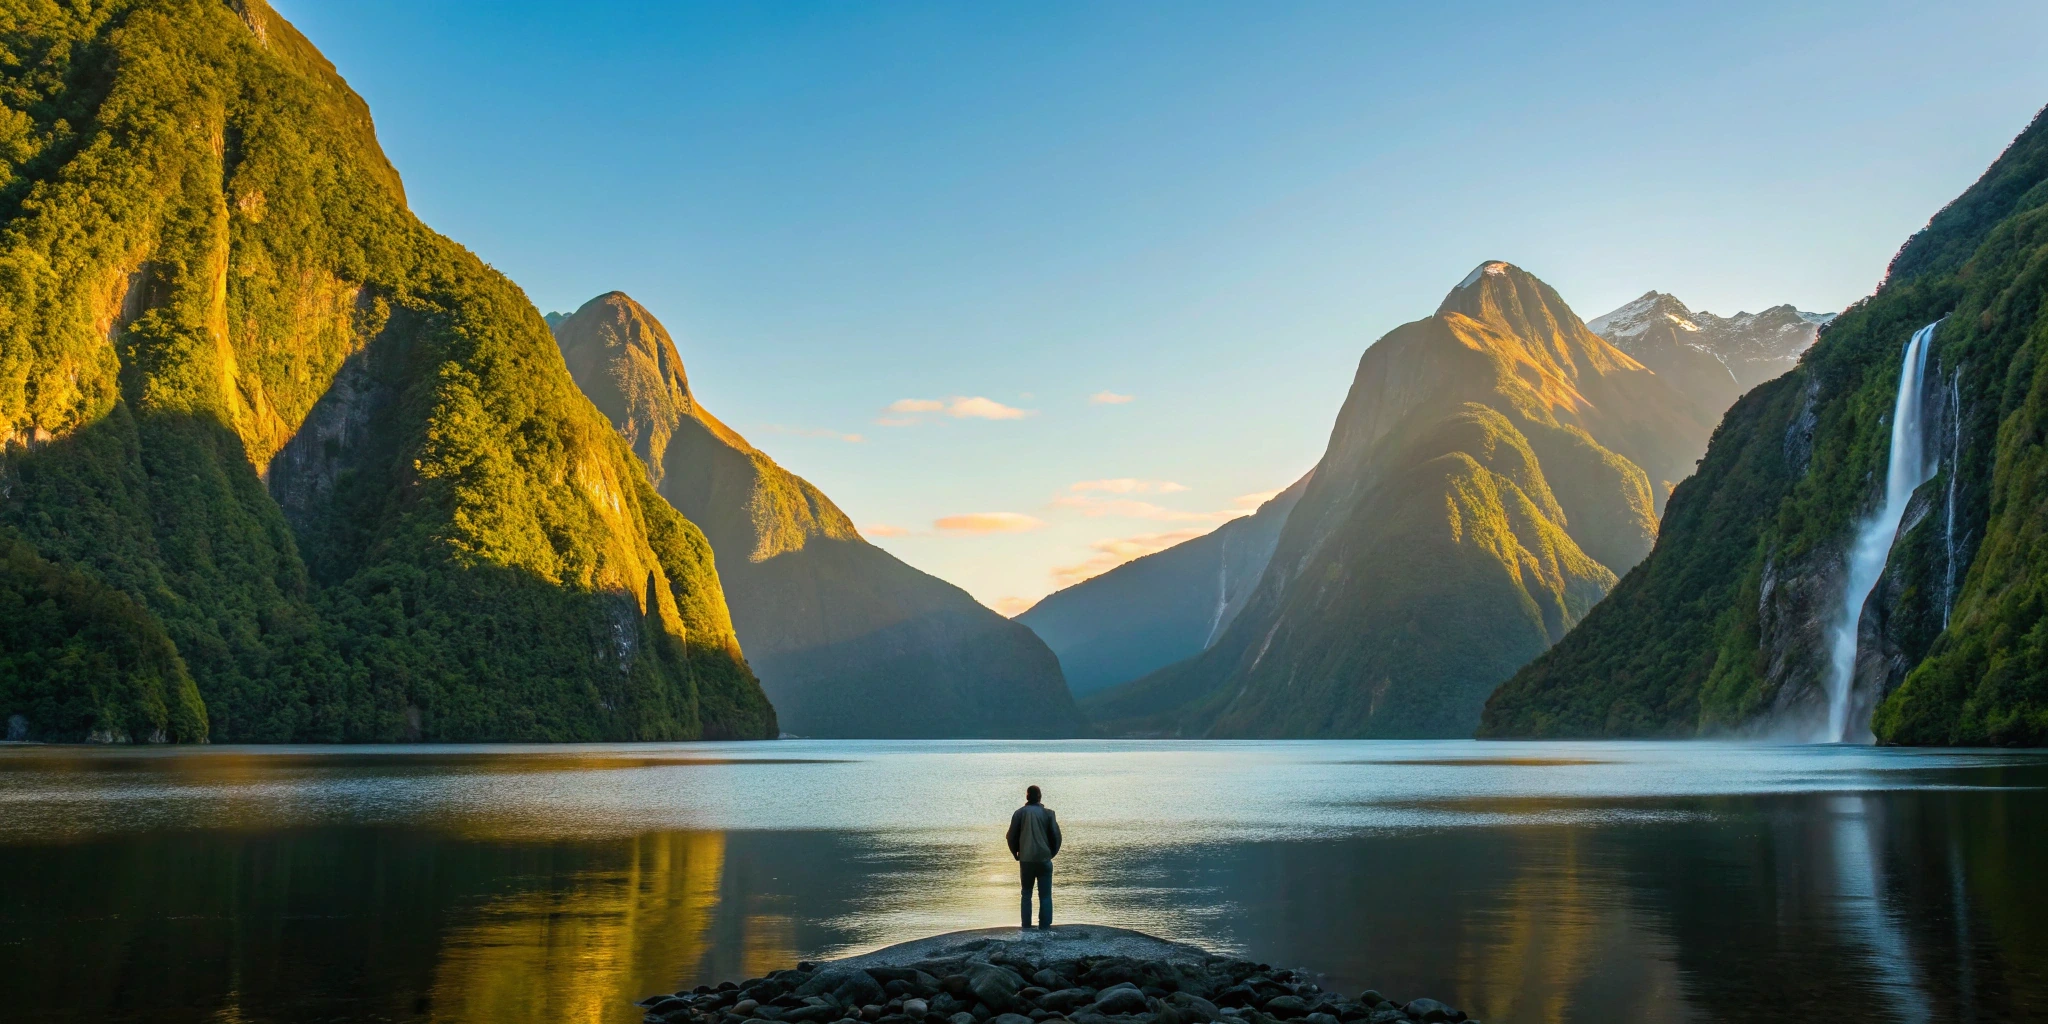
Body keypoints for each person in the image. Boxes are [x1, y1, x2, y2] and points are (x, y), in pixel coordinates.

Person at [1006, 784, 1061, 930]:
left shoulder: (1019, 813)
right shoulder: (1049, 814)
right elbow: (1056, 836)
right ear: (1040, 797)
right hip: (1044, 859)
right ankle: (1044, 926)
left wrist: (1015, 853)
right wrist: (1052, 853)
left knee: (1026, 894)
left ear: (1027, 796)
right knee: (1045, 895)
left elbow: (1010, 836)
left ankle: (1026, 926)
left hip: (1026, 860)